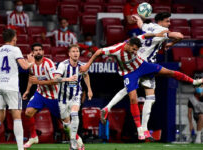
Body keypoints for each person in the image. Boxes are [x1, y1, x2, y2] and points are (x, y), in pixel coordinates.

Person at [80, 34, 203, 140]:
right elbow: (98, 52)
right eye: (133, 49)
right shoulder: (116, 49)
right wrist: (87, 66)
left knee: (169, 72)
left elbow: (147, 35)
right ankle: (139, 129)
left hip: (142, 66)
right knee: (133, 98)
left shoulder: (136, 40)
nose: (134, 52)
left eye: (136, 50)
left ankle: (194, 82)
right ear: (128, 44)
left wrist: (161, 33)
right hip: (130, 73)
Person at [100, 12, 185, 140]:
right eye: (167, 21)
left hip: (137, 61)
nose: (169, 24)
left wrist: (139, 18)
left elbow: (141, 25)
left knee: (130, 90)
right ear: (160, 22)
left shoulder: (149, 26)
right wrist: (170, 43)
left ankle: (108, 108)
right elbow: (179, 36)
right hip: (146, 65)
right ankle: (144, 130)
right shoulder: (162, 30)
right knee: (150, 98)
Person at [0, 29, 34, 150]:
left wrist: (1, 74)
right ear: (14, 38)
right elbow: (24, 66)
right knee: (16, 116)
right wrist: (31, 62)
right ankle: (20, 148)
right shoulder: (15, 49)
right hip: (10, 86)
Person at [22, 43, 77, 148]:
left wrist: (39, 82)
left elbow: (55, 81)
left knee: (66, 123)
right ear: (32, 53)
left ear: (43, 52)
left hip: (54, 96)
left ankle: (76, 141)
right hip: (40, 94)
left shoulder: (49, 63)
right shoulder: (31, 63)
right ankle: (33, 137)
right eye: (36, 50)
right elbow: (31, 77)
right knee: (28, 112)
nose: (38, 52)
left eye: (40, 50)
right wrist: (27, 90)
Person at [55, 44, 93, 150]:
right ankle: (77, 140)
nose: (76, 53)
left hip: (76, 95)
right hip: (63, 98)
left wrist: (89, 90)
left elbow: (86, 75)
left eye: (77, 51)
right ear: (69, 54)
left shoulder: (82, 65)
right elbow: (55, 78)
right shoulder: (63, 65)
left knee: (74, 114)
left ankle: (72, 142)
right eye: (73, 51)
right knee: (66, 125)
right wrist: (68, 79)